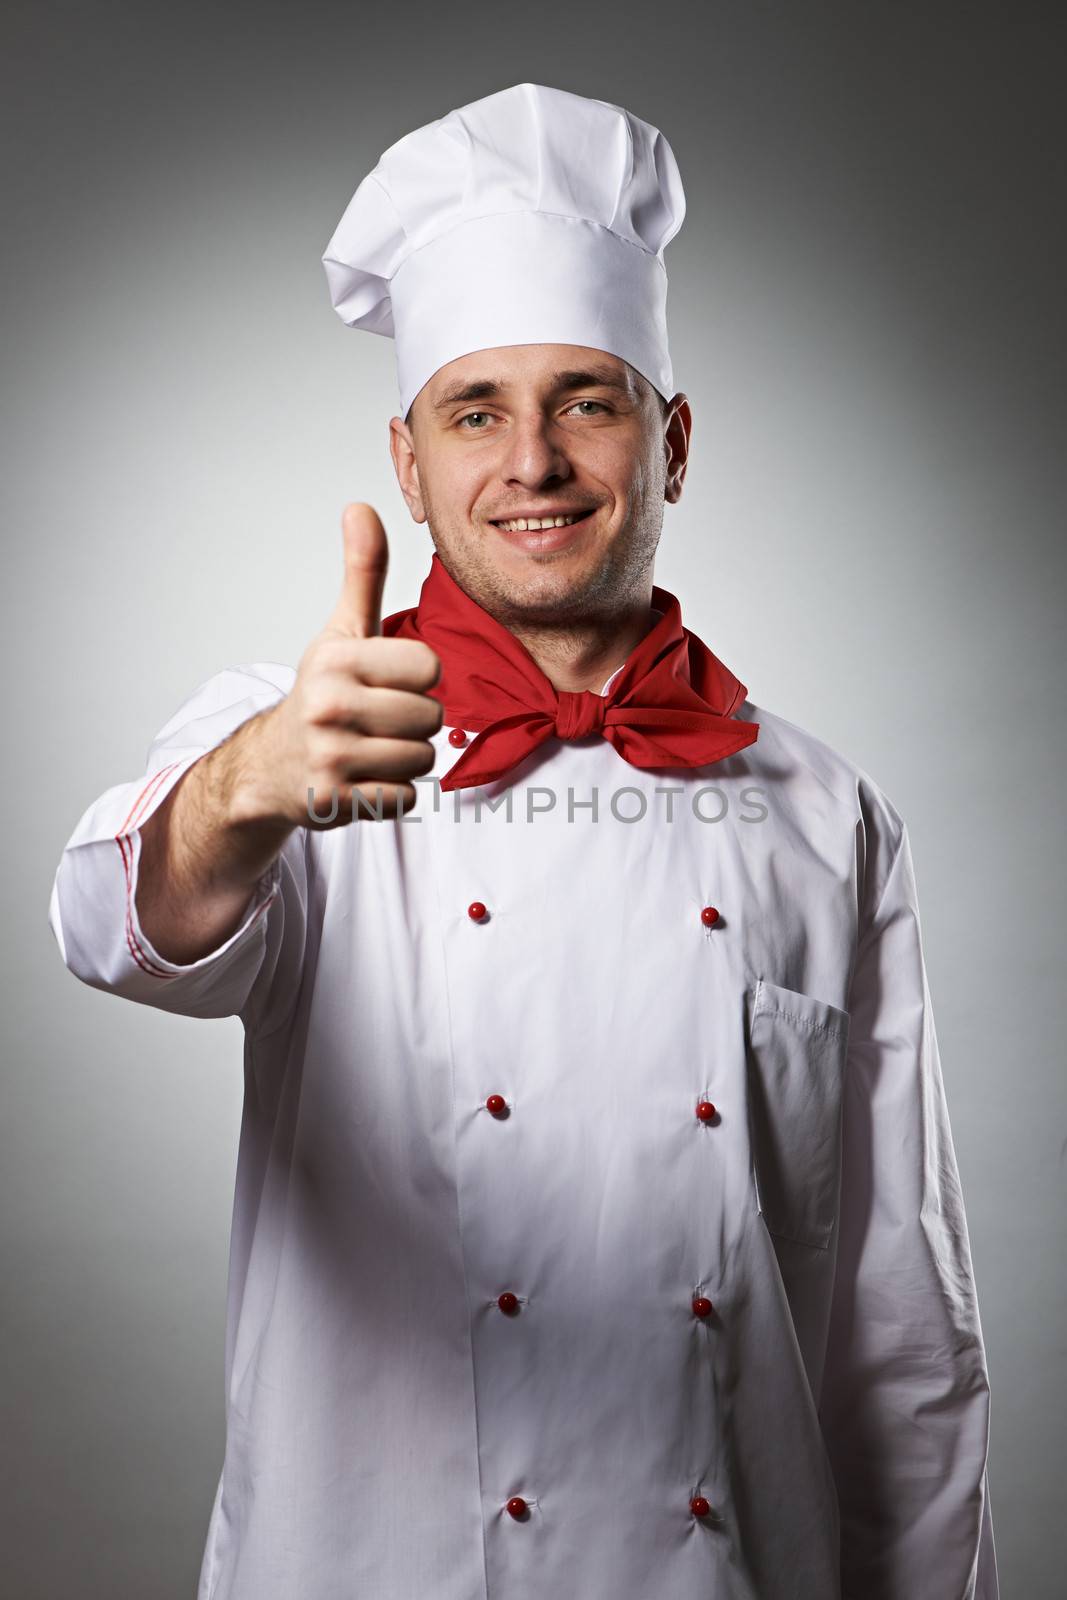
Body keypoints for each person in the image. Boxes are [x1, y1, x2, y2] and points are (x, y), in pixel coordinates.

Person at [48, 82, 999, 1599]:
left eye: (588, 400)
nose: (534, 462)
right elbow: (112, 929)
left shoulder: (830, 818)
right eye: (474, 412)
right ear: (409, 463)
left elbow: (904, 1333)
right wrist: (243, 790)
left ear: (673, 442)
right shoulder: (310, 737)